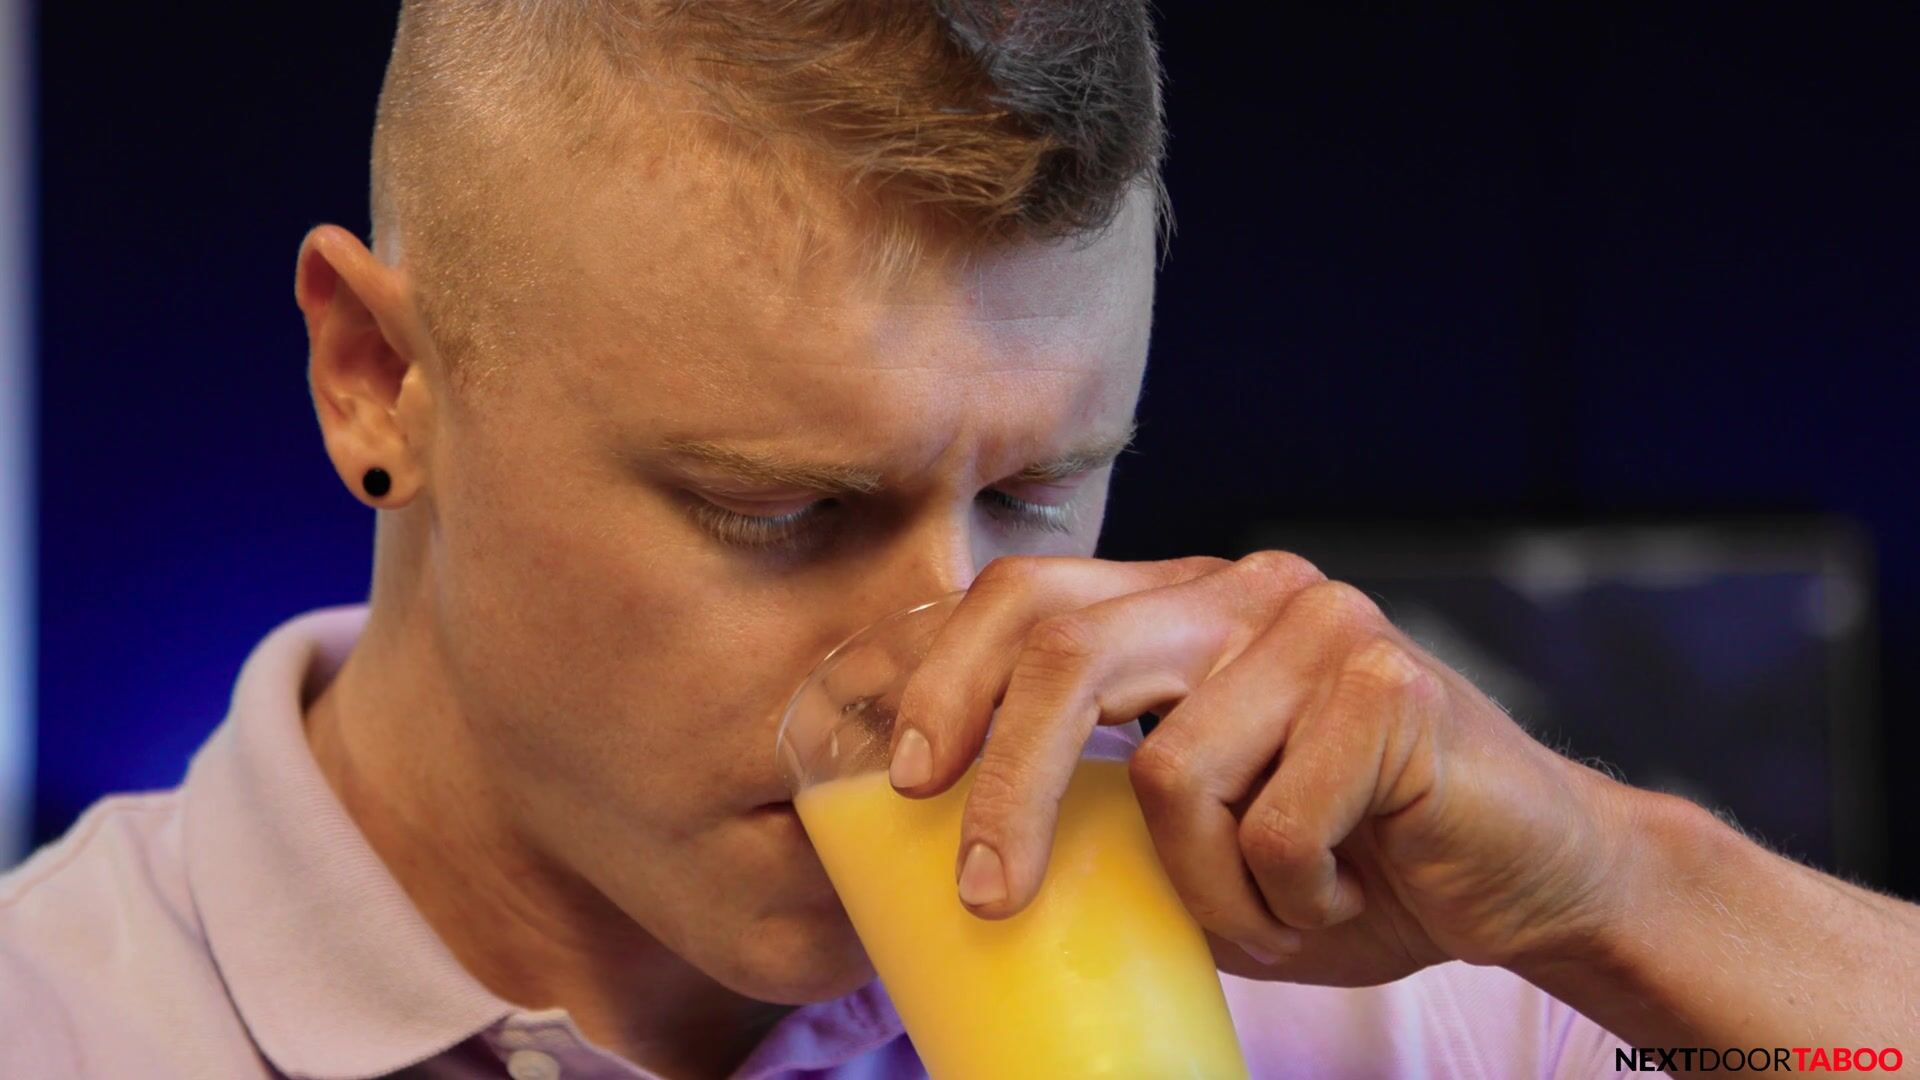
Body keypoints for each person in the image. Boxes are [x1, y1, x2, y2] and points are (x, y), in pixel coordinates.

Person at [4, 3, 1916, 1077]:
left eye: (1040, 490)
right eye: (777, 508)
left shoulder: (1331, 974)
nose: (942, 657)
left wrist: (1621, 887)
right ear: (376, 381)